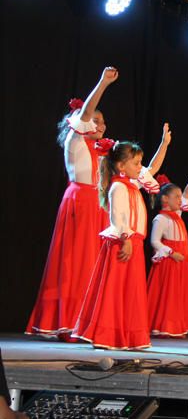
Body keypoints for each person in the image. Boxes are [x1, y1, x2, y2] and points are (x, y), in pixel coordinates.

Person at [27, 67, 118, 340]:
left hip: (98, 207)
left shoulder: (101, 152)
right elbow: (87, 113)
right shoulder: (75, 139)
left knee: (93, 265)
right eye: (96, 119)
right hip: (80, 203)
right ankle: (68, 322)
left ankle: (89, 322)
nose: (100, 124)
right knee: (74, 263)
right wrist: (103, 83)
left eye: (103, 121)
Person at [73, 127, 170, 350]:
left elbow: (153, 168)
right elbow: (118, 216)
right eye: (136, 163)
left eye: (139, 163)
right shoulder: (118, 186)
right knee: (115, 290)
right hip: (122, 243)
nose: (140, 167)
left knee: (130, 293)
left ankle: (125, 335)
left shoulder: (132, 184)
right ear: (121, 166)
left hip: (133, 243)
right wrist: (126, 238)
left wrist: (164, 144)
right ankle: (107, 335)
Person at [146, 158, 188, 338]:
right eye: (176, 197)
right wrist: (171, 253)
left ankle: (176, 326)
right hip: (169, 262)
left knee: (178, 296)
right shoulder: (161, 219)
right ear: (164, 199)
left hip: (181, 262)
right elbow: (154, 241)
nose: (180, 199)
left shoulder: (177, 215)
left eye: (179, 197)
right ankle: (163, 326)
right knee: (167, 296)